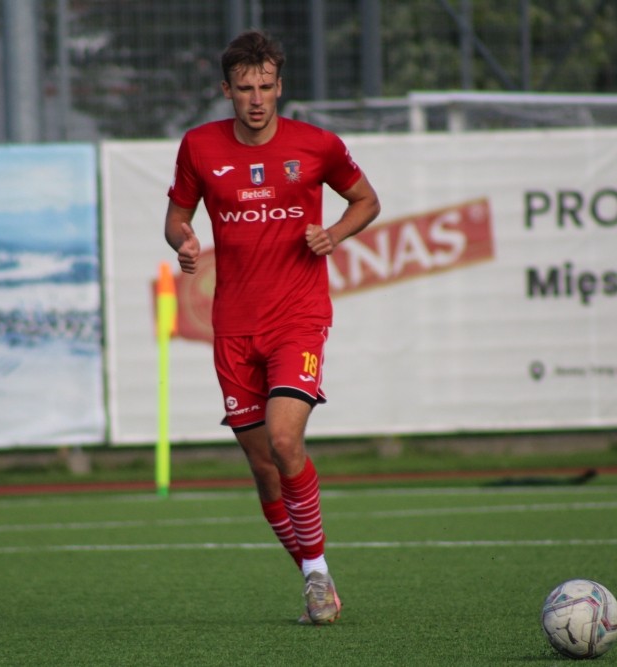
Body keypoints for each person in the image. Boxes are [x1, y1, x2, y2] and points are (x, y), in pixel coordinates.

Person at [164, 29, 380, 625]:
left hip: (297, 319)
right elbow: (177, 218)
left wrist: (332, 234)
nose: (256, 99)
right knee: (264, 470)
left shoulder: (317, 145)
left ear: (279, 86)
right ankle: (313, 575)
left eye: (265, 87)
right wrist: (184, 241)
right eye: (244, 88)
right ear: (226, 90)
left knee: (285, 442)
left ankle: (317, 574)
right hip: (234, 326)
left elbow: (366, 201)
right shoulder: (199, 147)